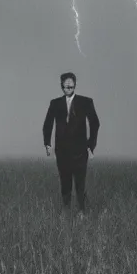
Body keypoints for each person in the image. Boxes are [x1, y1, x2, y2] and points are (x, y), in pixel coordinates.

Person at [42, 72, 100, 213]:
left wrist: (90, 146)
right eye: (66, 85)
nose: (68, 87)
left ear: (75, 85)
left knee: (80, 184)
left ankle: (81, 211)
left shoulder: (85, 102)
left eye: (71, 85)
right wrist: (47, 144)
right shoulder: (55, 103)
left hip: (80, 150)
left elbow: (95, 123)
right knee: (65, 182)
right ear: (61, 85)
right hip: (62, 151)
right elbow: (47, 124)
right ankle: (66, 211)